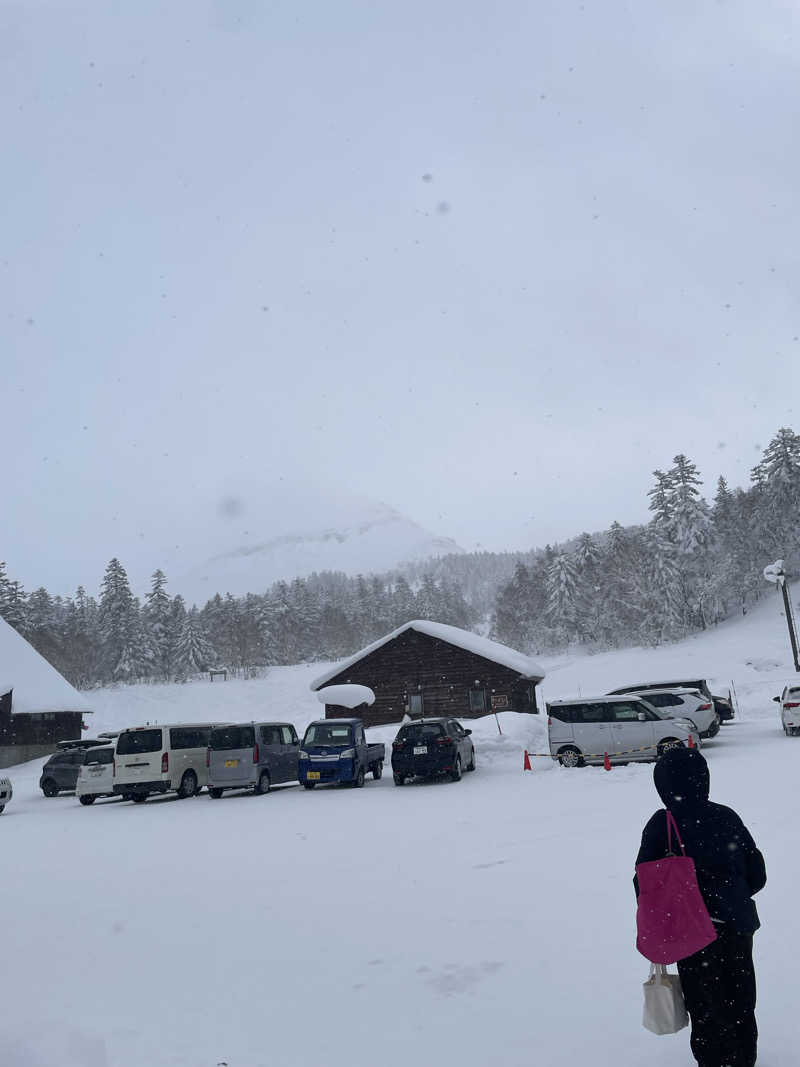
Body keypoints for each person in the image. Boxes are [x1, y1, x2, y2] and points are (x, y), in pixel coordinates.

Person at [634, 746, 766, 1067]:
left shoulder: (661, 825)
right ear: (703, 779)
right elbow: (756, 874)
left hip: (689, 932)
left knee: (705, 1007)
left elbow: (643, 886)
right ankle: (744, 1059)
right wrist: (731, 895)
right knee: (741, 1001)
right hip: (736, 926)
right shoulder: (725, 816)